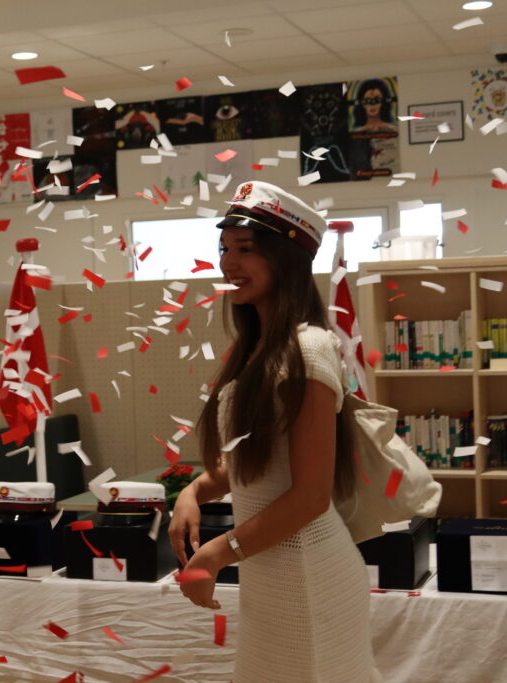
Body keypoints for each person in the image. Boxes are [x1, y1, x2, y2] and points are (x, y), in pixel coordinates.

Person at [169, 180, 380, 682]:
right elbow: (252, 462)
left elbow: (309, 496)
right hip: (269, 570)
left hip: (309, 574)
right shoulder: (257, 350)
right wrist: (194, 490)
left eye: (247, 249)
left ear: (286, 258)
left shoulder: (308, 350)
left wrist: (215, 554)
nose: (229, 263)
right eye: (224, 249)